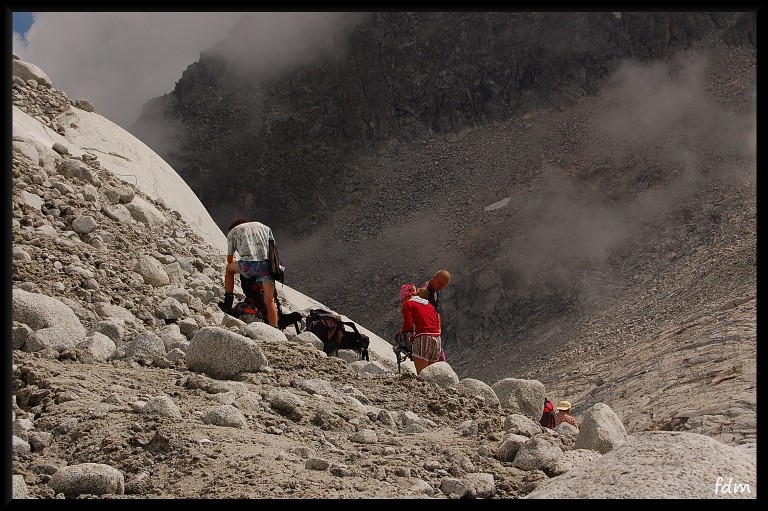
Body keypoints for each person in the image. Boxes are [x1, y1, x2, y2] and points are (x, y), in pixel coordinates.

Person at [218, 218, 279, 328]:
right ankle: (275, 329)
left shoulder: (233, 232)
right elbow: (273, 248)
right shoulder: (264, 227)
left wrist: (239, 268)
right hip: (267, 266)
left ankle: (228, 302)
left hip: (249, 265)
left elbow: (229, 258)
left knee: (229, 269)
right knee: (269, 301)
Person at [399, 284, 442, 375]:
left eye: (402, 300)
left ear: (405, 297)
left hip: (424, 339)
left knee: (422, 375)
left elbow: (408, 325)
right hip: (437, 339)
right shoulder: (428, 304)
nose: (402, 303)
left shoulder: (408, 304)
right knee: (432, 375)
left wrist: (402, 331)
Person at [417, 270, 451, 361]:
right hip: (426, 333)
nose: (441, 287)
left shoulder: (435, 291)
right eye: (440, 283)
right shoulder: (424, 292)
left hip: (433, 332)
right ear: (434, 278)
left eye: (444, 285)